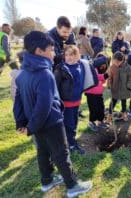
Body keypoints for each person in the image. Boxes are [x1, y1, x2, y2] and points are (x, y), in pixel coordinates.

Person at [13, 31, 92, 196]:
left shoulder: (23, 73)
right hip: (51, 123)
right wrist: (30, 127)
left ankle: (46, 181)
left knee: (42, 151)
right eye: (51, 49)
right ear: (39, 51)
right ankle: (72, 185)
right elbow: (44, 106)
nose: (54, 53)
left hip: (35, 125)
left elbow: (18, 100)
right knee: (61, 153)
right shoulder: (44, 74)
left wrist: (22, 123)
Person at [54, 45, 86, 155]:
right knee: (69, 124)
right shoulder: (61, 68)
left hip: (76, 101)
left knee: (75, 122)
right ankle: (71, 145)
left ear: (77, 55)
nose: (68, 57)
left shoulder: (80, 65)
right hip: (66, 103)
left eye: (72, 54)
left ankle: (70, 141)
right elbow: (55, 86)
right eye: (66, 55)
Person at [85, 53, 110, 132]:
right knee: (93, 108)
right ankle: (91, 122)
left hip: (99, 93)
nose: (104, 66)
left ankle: (100, 121)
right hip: (91, 93)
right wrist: (106, 75)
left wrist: (106, 76)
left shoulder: (100, 70)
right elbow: (97, 77)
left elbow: (102, 80)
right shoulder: (93, 68)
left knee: (101, 107)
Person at [107, 51, 131, 124]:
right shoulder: (112, 67)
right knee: (112, 103)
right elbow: (109, 77)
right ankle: (109, 116)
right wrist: (109, 84)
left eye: (118, 62)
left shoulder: (127, 67)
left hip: (124, 88)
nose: (116, 63)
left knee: (124, 102)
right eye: (114, 61)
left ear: (122, 60)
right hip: (115, 88)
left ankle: (124, 114)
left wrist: (129, 86)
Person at [0, 23, 18, 87]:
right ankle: (21, 82)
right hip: (5, 56)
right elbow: (5, 47)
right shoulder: (5, 36)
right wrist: (8, 55)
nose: (9, 30)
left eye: (9, 28)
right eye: (7, 28)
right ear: (3, 28)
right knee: (16, 68)